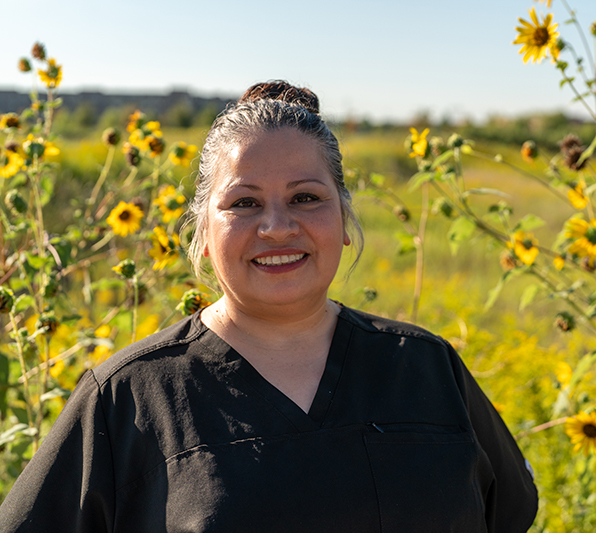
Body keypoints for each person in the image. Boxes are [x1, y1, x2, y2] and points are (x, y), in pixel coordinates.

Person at [0, 81, 538, 532]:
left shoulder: (428, 369)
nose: (277, 226)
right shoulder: (129, 399)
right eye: (244, 202)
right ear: (204, 233)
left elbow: (507, 514)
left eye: (306, 197)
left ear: (345, 221)